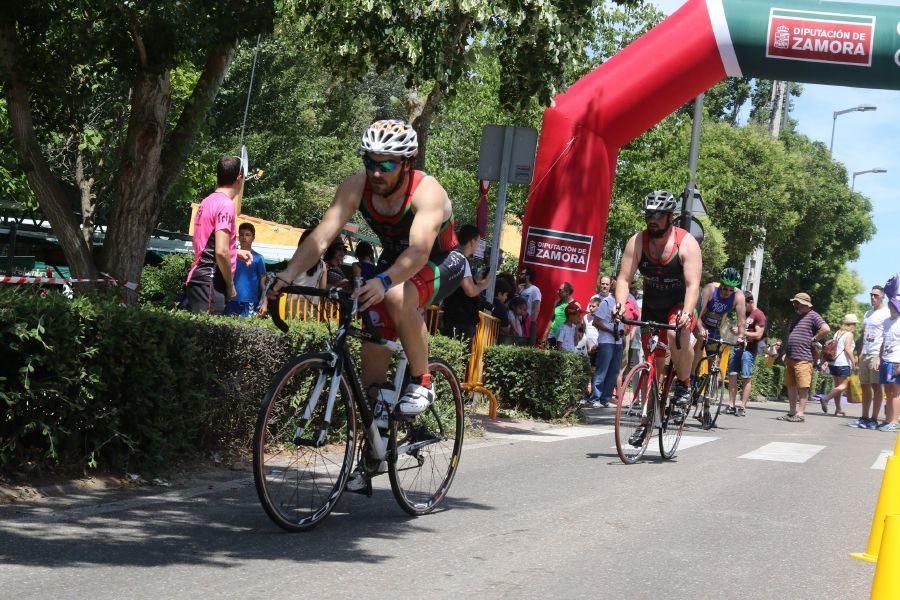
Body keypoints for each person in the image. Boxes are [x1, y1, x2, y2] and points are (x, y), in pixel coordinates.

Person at [270, 119, 465, 442]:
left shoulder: (427, 191)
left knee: (396, 295)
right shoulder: (355, 187)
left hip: (439, 259)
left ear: (407, 163)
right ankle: (373, 445)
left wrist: (385, 281)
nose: (376, 172)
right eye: (369, 162)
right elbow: (321, 237)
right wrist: (287, 275)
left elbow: (418, 251)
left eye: (386, 164)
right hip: (394, 260)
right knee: (371, 335)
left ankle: (423, 381)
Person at [613, 190, 702, 421]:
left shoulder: (686, 243)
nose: (652, 220)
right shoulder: (637, 241)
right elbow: (624, 278)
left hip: (679, 303)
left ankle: (684, 385)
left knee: (676, 335)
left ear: (670, 216)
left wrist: (687, 312)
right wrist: (620, 305)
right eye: (649, 215)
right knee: (654, 361)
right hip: (653, 306)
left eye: (658, 215)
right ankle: (647, 420)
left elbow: (693, 285)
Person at [186, 156, 251, 315]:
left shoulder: (206, 201)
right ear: (239, 179)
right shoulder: (226, 205)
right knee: (206, 338)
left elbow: (208, 242)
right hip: (211, 282)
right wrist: (230, 285)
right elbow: (221, 251)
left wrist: (235, 253)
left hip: (199, 278)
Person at [776, 292, 830, 423]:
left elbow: (826, 328)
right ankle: (792, 412)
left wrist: (814, 338)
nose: (795, 305)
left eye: (797, 303)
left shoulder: (813, 316)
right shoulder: (796, 316)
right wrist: (785, 352)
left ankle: (800, 414)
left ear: (805, 304)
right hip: (791, 356)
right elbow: (791, 334)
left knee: (803, 386)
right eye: (795, 302)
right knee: (791, 385)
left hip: (804, 358)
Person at [849, 285, 890, 429]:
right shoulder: (867, 313)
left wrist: (880, 357)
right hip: (865, 354)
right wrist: (857, 354)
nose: (873, 297)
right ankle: (864, 417)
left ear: (882, 297)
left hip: (876, 354)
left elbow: (887, 336)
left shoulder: (886, 313)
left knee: (876, 387)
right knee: (864, 386)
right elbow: (863, 335)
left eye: (876, 295)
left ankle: (873, 419)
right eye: (871, 295)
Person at [440, 224, 490, 341]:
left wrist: (475, 280)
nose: (478, 245)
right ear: (472, 241)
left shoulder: (453, 256)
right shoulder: (462, 260)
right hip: (460, 320)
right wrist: (483, 284)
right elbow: (470, 291)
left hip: (451, 315)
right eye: (478, 241)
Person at [693, 268, 747, 373]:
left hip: (716, 328)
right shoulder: (710, 289)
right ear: (720, 284)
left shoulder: (739, 296)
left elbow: (741, 321)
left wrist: (740, 336)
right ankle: (692, 376)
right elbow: (697, 314)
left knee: (715, 358)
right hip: (701, 323)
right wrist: (700, 327)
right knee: (701, 341)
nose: (727, 292)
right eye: (725, 288)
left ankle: (710, 383)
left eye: (731, 290)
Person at [725, 291, 766, 417]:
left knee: (746, 377)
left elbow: (759, 335)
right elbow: (739, 331)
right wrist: (734, 331)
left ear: (750, 302)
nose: (741, 306)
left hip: (749, 350)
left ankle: (742, 406)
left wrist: (742, 332)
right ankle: (731, 405)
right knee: (732, 375)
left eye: (744, 304)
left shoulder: (759, 315)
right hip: (737, 347)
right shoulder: (743, 314)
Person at [588, 280, 625, 408]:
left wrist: (621, 335)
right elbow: (596, 322)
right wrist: (611, 330)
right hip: (606, 341)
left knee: (614, 371)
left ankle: (605, 398)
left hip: (617, 342)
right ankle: (595, 398)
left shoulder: (621, 303)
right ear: (614, 290)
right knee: (602, 370)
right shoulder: (606, 302)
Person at [816, 313, 859, 417]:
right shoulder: (849, 334)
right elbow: (848, 349)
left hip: (833, 362)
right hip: (843, 363)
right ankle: (826, 399)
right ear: (852, 324)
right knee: (843, 386)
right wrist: (854, 362)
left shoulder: (837, 333)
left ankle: (838, 409)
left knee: (837, 387)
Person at [224, 222, 268, 317]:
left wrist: (265, 303)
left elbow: (263, 284)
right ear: (238, 237)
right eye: (242, 234)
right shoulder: (231, 256)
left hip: (250, 302)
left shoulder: (258, 258)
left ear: (253, 238)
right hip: (231, 300)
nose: (244, 237)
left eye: (247, 235)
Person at [878, 275, 900, 432]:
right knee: (887, 392)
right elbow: (883, 342)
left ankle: (894, 420)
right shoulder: (886, 321)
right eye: (890, 304)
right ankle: (887, 420)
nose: (891, 306)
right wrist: (878, 358)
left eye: (894, 305)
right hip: (885, 360)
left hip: (896, 361)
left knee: (895, 392)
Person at [291, 229, 328, 309]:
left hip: (293, 303)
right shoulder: (322, 265)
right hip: (311, 306)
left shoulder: (293, 261)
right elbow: (322, 291)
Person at [543, 282, 575, 347]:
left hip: (564, 338)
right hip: (552, 335)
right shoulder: (557, 302)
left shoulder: (575, 305)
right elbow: (552, 319)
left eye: (560, 290)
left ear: (567, 292)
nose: (557, 292)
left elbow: (576, 324)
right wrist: (545, 334)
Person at [517, 267, 542, 342]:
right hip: (518, 322)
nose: (519, 275)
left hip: (529, 323)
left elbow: (536, 309)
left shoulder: (535, 290)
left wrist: (529, 323)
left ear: (528, 276)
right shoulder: (520, 289)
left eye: (522, 274)